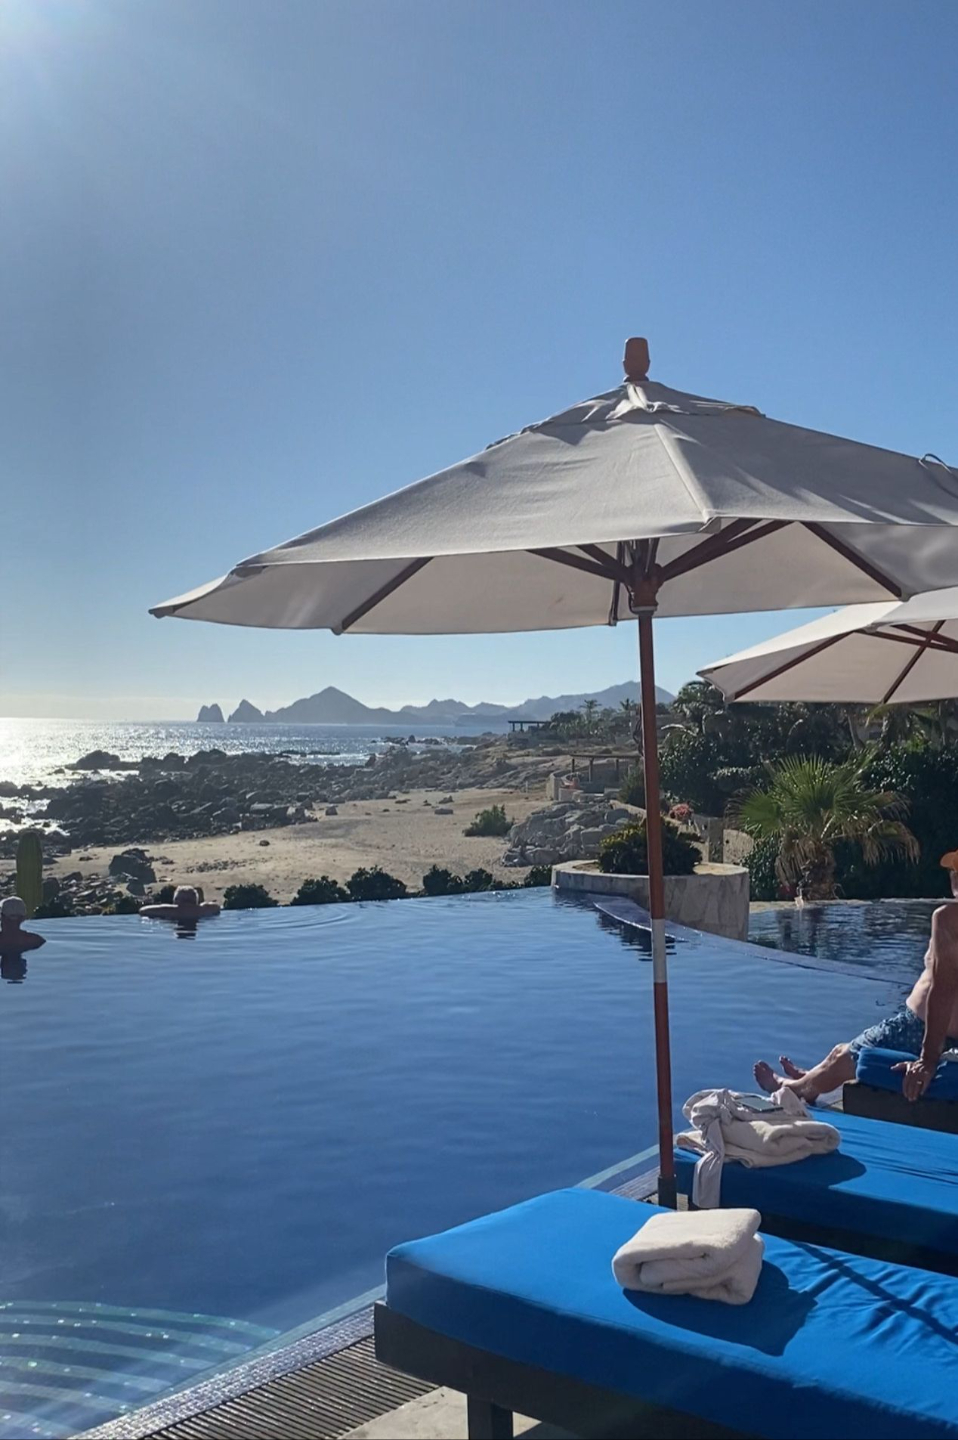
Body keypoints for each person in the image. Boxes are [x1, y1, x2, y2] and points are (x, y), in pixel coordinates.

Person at [754, 851, 958, 1105]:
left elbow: (943, 990)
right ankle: (811, 1078)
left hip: (919, 1030)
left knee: (845, 1057)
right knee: (840, 1052)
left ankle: (796, 1089)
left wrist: (928, 1060)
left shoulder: (949, 919)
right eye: (954, 872)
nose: (953, 878)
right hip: (938, 1035)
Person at [140, 885, 221, 923]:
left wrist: (169, 908)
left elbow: (143, 910)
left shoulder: (172, 911)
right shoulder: (203, 910)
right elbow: (217, 907)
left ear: (176, 900)